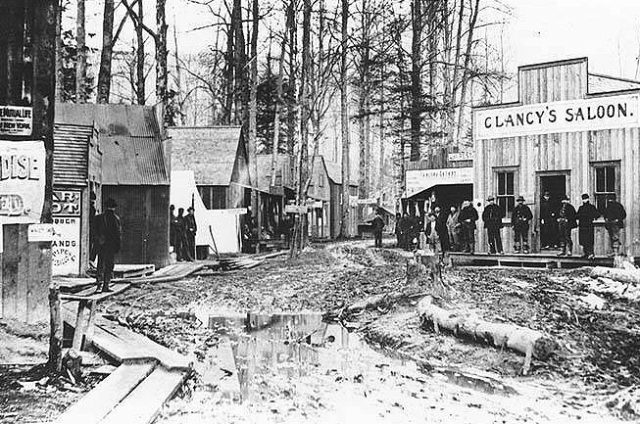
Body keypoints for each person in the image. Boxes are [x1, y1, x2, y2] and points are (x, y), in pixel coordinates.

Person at [95, 198, 121, 293]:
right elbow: (118, 234)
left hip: (103, 245)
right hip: (110, 245)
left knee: (101, 264)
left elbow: (95, 232)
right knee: (108, 265)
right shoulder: (116, 219)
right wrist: (118, 246)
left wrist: (98, 241)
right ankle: (105, 285)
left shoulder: (99, 218)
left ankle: (100, 285)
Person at [576, 193, 600, 259]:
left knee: (589, 240)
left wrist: (592, 217)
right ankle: (586, 253)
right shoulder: (581, 208)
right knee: (583, 240)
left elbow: (597, 214)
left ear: (588, 199)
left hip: (589, 225)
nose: (584, 200)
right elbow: (577, 216)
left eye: (585, 199)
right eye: (583, 199)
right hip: (582, 226)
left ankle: (591, 254)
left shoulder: (591, 207)